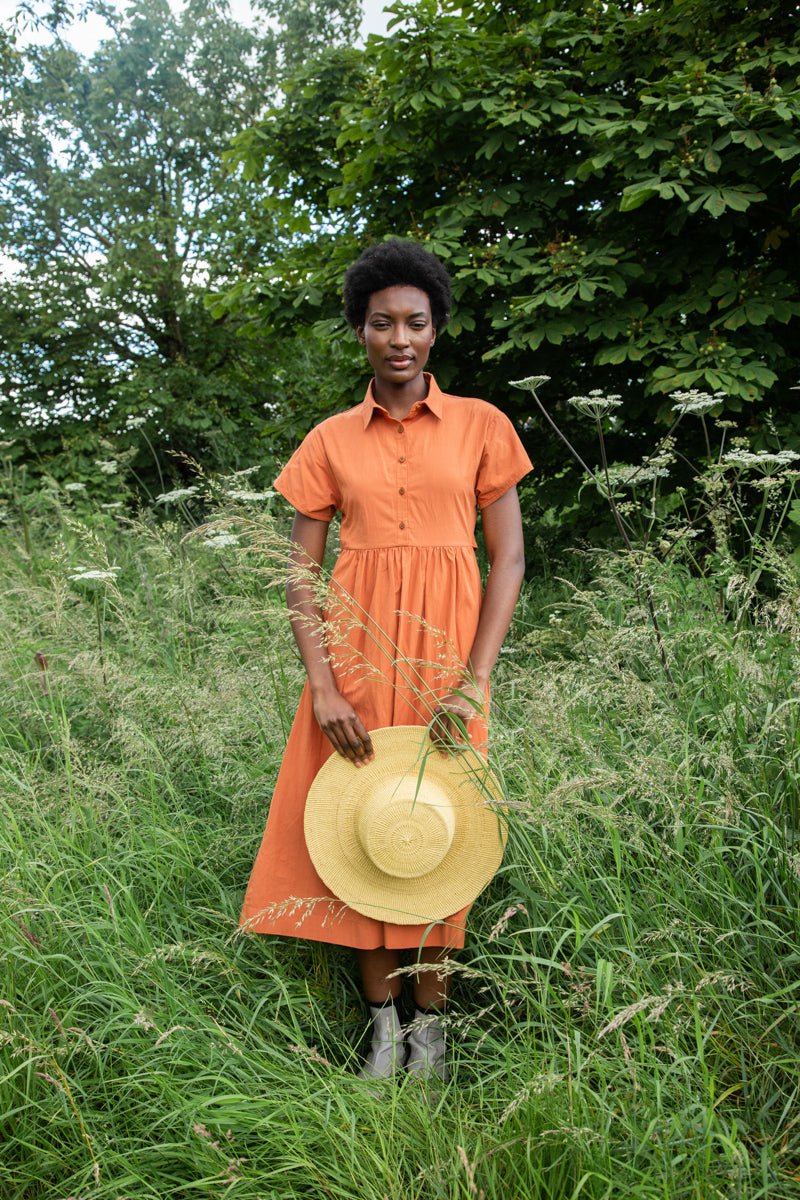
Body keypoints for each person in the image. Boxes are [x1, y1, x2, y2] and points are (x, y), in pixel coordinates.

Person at [240, 239, 532, 1083]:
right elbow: (299, 574)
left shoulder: (483, 425)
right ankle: (382, 1032)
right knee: (358, 832)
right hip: (358, 663)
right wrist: (322, 684)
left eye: (415, 321)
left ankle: (431, 1035)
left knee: (445, 832)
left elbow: (506, 560)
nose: (399, 337)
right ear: (360, 331)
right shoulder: (329, 439)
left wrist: (473, 679)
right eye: (381, 323)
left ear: (436, 329)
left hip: (450, 664)